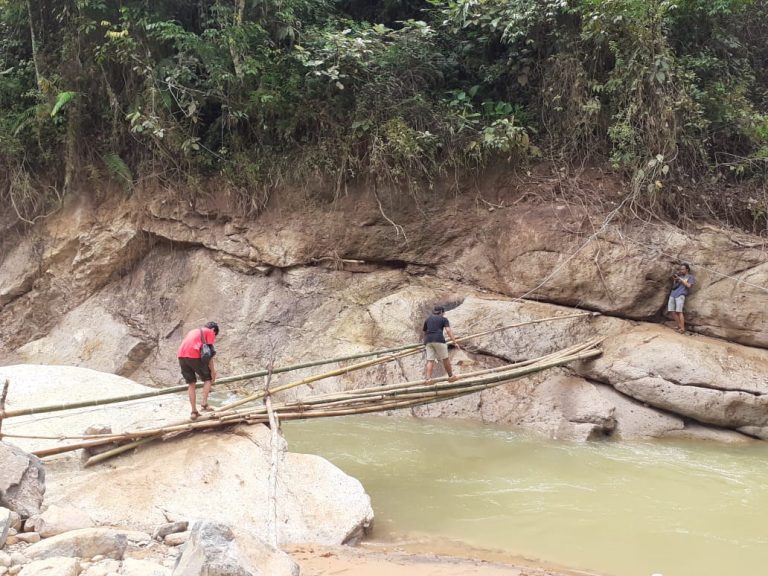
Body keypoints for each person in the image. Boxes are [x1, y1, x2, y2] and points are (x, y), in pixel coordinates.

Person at [177, 321, 219, 419]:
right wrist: (212, 371)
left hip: (181, 355)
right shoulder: (210, 331)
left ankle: (194, 411)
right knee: (207, 379)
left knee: (191, 383)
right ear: (213, 330)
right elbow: (208, 354)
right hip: (193, 355)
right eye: (215, 334)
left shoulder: (193, 331)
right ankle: (204, 404)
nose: (214, 336)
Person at [423, 305, 461, 384]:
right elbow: (448, 330)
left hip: (428, 341)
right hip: (438, 340)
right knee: (445, 359)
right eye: (443, 313)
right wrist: (454, 342)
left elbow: (425, 332)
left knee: (430, 360)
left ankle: (428, 379)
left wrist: (425, 342)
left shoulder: (428, 319)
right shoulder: (444, 319)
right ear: (441, 312)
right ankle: (451, 377)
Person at [667, 263, 695, 334]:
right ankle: (679, 325)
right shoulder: (679, 276)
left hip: (680, 295)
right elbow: (674, 286)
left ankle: (682, 328)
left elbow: (689, 286)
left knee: (679, 312)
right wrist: (675, 279)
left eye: (682, 269)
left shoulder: (690, 277)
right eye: (680, 269)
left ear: (687, 270)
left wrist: (680, 279)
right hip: (673, 294)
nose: (681, 270)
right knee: (671, 310)